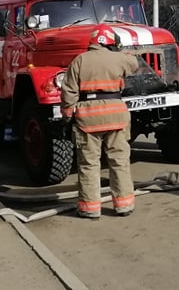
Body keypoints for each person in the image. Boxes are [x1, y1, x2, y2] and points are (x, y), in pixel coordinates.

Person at [60, 25, 140, 220]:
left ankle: (90, 208)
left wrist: (67, 116)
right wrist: (121, 51)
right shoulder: (121, 58)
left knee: (89, 164)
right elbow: (135, 64)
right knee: (119, 161)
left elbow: (69, 91)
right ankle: (124, 205)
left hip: (88, 117)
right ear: (112, 42)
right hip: (116, 116)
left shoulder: (80, 60)